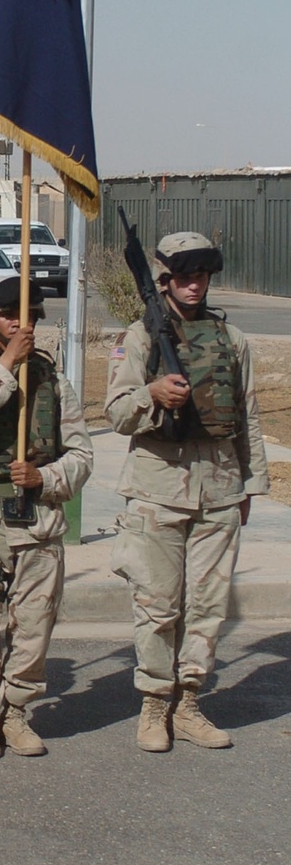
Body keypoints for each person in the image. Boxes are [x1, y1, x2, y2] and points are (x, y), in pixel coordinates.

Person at [104, 231, 270, 752]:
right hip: (158, 490)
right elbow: (115, 412)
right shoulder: (140, 337)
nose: (193, 285)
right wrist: (152, 394)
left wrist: (249, 485)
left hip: (219, 488)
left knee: (207, 605)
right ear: (165, 280)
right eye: (183, 276)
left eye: (200, 275)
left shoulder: (232, 339)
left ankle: (189, 702)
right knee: (158, 604)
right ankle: (154, 706)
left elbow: (248, 416)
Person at [0, 274, 92, 759]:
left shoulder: (53, 379)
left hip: (38, 516)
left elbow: (82, 455)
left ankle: (18, 712)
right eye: (9, 315)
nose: (19, 322)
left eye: (27, 315)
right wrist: (7, 365)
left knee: (33, 623)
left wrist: (44, 479)